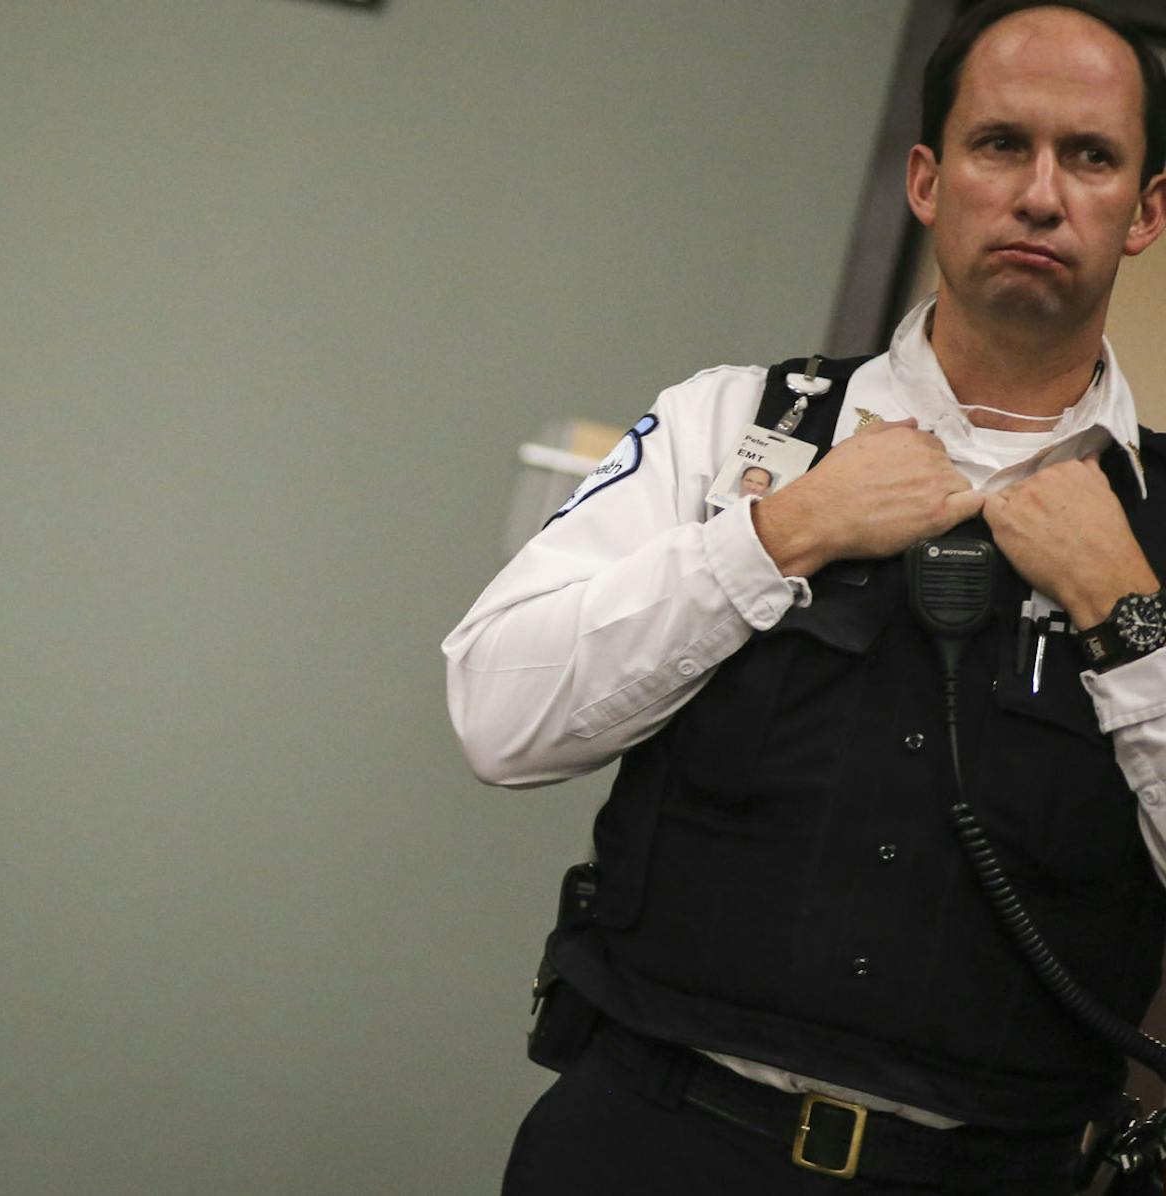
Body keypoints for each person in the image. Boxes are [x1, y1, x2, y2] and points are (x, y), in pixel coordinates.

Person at [444, 3, 1166, 1191]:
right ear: (927, 180)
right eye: (999, 144)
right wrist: (783, 531)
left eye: (1089, 156)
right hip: (652, 1138)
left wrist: (1130, 613)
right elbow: (496, 715)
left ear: (1144, 212)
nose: (1041, 193)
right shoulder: (731, 426)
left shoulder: (1151, 536)